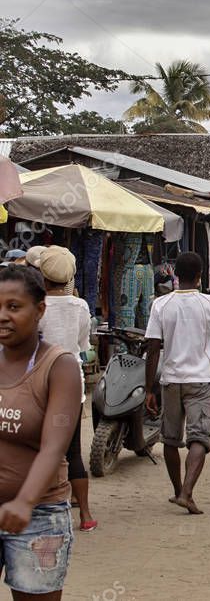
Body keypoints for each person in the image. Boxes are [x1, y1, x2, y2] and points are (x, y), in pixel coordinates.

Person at [0, 265, 81, 598]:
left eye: (14, 307)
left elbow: (54, 446)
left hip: (38, 516)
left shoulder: (59, 366)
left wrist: (24, 501)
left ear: (40, 310)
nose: (2, 316)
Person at [144, 252, 210, 516]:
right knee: (199, 438)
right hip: (200, 380)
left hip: (171, 380)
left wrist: (149, 388)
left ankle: (177, 491)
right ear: (199, 276)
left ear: (175, 275)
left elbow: (153, 349)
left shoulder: (161, 305)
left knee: (171, 439)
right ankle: (187, 492)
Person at [36, 246, 96, 532]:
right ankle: (84, 516)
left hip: (39, 389)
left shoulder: (34, 306)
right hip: (72, 388)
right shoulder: (80, 306)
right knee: (73, 453)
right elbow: (84, 346)